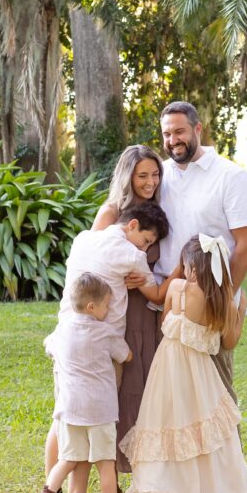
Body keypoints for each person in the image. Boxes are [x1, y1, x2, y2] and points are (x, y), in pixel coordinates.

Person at [118, 235, 247, 493]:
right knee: (210, 434)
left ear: (190, 267)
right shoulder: (222, 298)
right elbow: (230, 340)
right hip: (202, 375)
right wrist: (239, 314)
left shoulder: (176, 288)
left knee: (165, 427)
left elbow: (164, 325)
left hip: (169, 370)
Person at [42, 201, 171, 493]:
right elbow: (155, 294)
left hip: (66, 343)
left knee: (68, 419)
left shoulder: (84, 238)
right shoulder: (130, 255)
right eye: (145, 240)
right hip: (103, 351)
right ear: (132, 226)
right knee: (95, 427)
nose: (145, 248)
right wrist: (182, 269)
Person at [152, 101, 247, 404]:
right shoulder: (162, 176)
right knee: (174, 402)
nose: (173, 140)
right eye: (167, 134)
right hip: (169, 306)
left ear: (198, 129)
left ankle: (229, 454)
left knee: (217, 398)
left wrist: (221, 298)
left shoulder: (231, 177)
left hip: (211, 307)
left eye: (180, 132)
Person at [91, 145, 166, 474]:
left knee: (149, 387)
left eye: (155, 174)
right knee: (121, 391)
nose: (151, 182)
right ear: (128, 176)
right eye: (142, 175)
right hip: (117, 314)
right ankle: (117, 473)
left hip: (149, 312)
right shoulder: (111, 213)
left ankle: (150, 472)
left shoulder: (159, 211)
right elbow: (89, 266)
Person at [37, 274, 132, 493]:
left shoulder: (62, 330)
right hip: (100, 411)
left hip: (70, 409)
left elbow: (48, 346)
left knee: (67, 459)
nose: (108, 309)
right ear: (92, 307)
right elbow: (126, 355)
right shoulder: (105, 332)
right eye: (106, 305)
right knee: (105, 465)